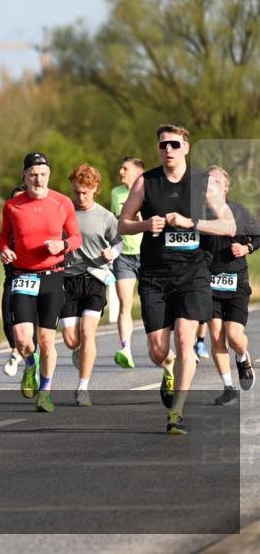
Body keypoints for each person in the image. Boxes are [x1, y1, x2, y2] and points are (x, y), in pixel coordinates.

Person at [117, 124, 235, 434]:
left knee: (186, 341)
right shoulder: (145, 182)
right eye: (162, 145)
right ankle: (168, 367)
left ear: (186, 147)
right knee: (158, 349)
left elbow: (228, 226)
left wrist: (192, 222)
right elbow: (122, 224)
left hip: (191, 274)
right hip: (155, 275)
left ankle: (176, 413)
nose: (167, 149)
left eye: (173, 144)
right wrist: (145, 225)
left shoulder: (202, 183)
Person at [0, 152, 80, 414]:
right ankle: (29, 366)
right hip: (22, 276)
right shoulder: (13, 206)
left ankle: (45, 392)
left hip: (53, 276)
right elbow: (2, 236)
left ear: (49, 176)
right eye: (33, 174)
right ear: (24, 176)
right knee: (23, 340)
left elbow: (76, 237)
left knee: (46, 340)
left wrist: (62, 244)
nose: (38, 179)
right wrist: (4, 250)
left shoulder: (62, 202)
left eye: (43, 174)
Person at [60, 165, 121, 407]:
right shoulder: (64, 214)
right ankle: (79, 351)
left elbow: (119, 243)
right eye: (76, 192)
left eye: (85, 192)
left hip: (95, 278)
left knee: (88, 332)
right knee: (71, 340)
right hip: (68, 280)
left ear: (95, 189)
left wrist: (112, 253)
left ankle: (82, 387)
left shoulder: (106, 217)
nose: (80, 197)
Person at [201, 166, 257, 405]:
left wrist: (246, 248)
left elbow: (258, 236)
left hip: (236, 280)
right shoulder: (199, 215)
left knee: (234, 337)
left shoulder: (239, 212)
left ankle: (243, 357)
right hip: (209, 282)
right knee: (215, 336)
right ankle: (228, 387)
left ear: (225, 187)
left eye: (216, 182)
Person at [110, 156, 144, 369]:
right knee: (125, 304)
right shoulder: (116, 193)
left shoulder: (148, 191)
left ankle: (155, 342)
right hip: (124, 255)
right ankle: (126, 349)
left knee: (151, 303)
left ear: (138, 173)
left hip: (147, 254)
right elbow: (117, 222)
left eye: (125, 169)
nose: (121, 172)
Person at [0, 182, 29, 377]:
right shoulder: (7, 230)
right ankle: (15, 350)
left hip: (35, 278)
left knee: (30, 325)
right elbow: (0, 240)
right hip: (12, 278)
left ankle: (29, 360)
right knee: (7, 317)